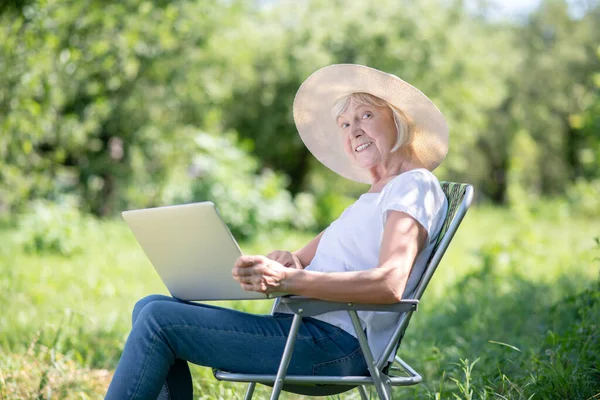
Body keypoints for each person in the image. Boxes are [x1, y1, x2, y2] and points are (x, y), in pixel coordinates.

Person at [105, 64, 449, 400]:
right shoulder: (371, 197)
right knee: (149, 305)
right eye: (344, 123)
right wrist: (287, 263)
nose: (352, 130)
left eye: (365, 116)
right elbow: (301, 259)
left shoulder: (413, 185)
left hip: (337, 347)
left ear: (400, 119)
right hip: (306, 330)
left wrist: (287, 282)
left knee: (157, 320)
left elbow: (389, 283)